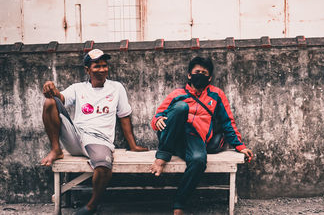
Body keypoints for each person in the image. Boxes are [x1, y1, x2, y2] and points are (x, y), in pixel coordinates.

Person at [40, 49, 148, 215]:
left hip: (99, 140)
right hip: (76, 136)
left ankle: (91, 205)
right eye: (97, 66)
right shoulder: (78, 88)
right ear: (87, 70)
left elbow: (124, 116)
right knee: (49, 102)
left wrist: (132, 145)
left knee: (104, 167)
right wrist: (50, 87)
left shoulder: (117, 88)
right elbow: (59, 98)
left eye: (105, 66)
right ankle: (56, 149)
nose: (102, 69)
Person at [150, 56, 253, 215]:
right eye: (197, 72)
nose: (200, 75)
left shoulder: (216, 95)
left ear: (210, 78)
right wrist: (157, 121)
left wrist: (240, 146)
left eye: (204, 73)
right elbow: (158, 116)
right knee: (181, 108)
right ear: (189, 75)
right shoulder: (177, 94)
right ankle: (162, 157)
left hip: (195, 138)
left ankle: (179, 203)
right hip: (172, 136)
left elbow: (227, 122)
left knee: (198, 161)